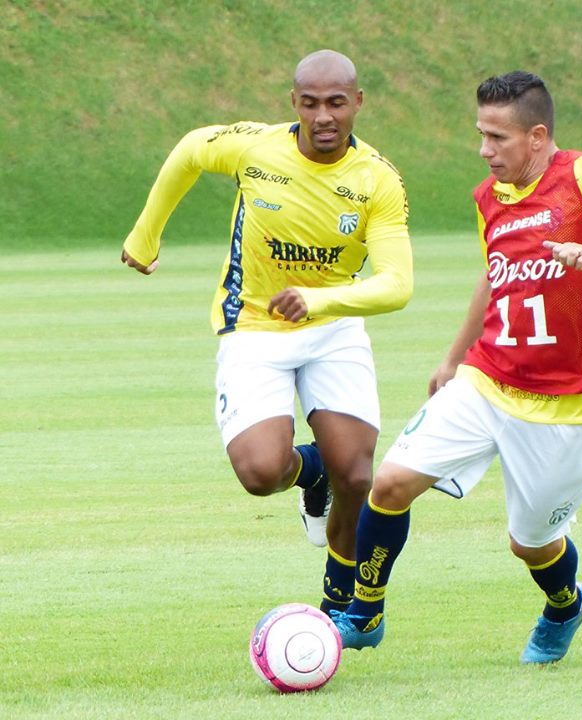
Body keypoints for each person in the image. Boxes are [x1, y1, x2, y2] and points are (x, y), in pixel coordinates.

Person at [328, 71, 582, 664]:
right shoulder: (487, 199)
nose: (484, 150)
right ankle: (363, 614)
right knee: (391, 483)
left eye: (497, 137)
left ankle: (565, 604)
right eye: (480, 134)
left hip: (571, 406)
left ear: (537, 136)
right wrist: (451, 360)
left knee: (531, 545)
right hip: (488, 378)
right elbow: (493, 277)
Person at [120, 50, 413, 616]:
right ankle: (311, 470)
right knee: (260, 473)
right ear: (293, 104)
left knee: (358, 472)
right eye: (310, 103)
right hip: (253, 324)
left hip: (332, 325)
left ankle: (338, 602)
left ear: (358, 102)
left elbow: (397, 284)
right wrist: (144, 235)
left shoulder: (378, 180)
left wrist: (320, 299)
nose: (324, 116)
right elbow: (189, 151)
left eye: (336, 103)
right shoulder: (255, 148)